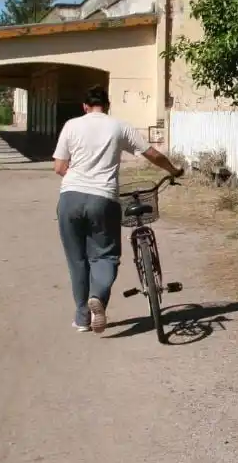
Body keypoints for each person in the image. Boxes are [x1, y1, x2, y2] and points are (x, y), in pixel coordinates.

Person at [52, 86, 184, 334]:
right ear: (108, 105)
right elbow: (152, 153)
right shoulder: (119, 126)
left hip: (70, 197)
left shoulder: (71, 125)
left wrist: (79, 179)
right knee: (105, 255)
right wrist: (173, 170)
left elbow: (59, 167)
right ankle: (98, 297)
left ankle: (82, 319)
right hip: (103, 198)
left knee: (77, 260)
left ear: (84, 106)